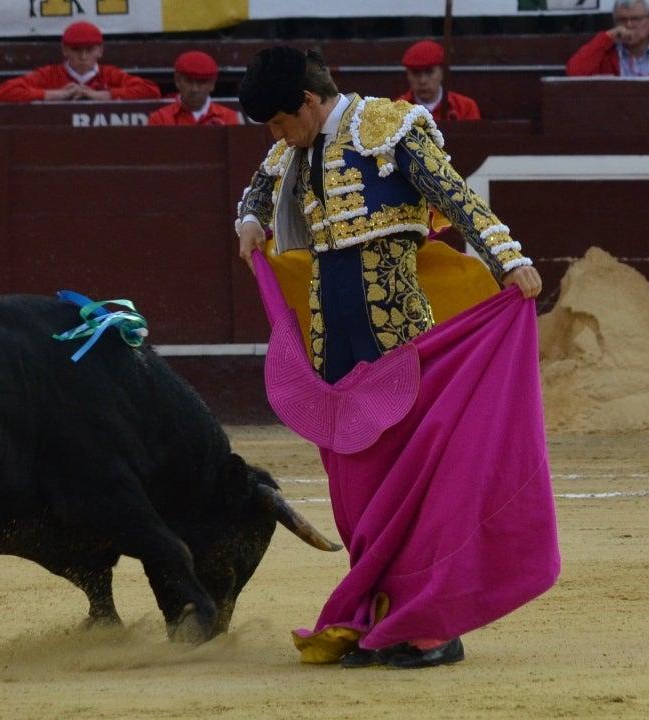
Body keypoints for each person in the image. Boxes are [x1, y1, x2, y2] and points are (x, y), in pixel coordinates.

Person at [234, 47, 558, 670]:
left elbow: (455, 196)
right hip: (333, 339)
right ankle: (381, 612)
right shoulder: (295, 146)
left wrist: (508, 259)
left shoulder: (387, 126)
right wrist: (250, 218)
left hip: (396, 333)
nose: (276, 137)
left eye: (278, 122)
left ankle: (434, 624)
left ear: (308, 102)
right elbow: (262, 184)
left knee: (417, 476)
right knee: (357, 480)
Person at [0, 21, 160, 103]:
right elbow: (3, 92)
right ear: (65, 50)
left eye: (89, 50)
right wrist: (55, 95)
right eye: (76, 50)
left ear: (100, 51)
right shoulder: (48, 75)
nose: (83, 56)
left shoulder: (110, 74)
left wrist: (100, 95)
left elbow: (151, 91)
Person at [148, 50, 240, 126]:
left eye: (202, 82)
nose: (195, 89)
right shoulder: (160, 119)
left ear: (212, 84)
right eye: (189, 81)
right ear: (177, 81)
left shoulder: (227, 117)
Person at [396, 39, 480, 120]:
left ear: (442, 72)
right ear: (407, 75)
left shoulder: (465, 107)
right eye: (415, 73)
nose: (422, 81)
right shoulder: (396, 110)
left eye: (430, 72)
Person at [566, 0, 649, 76]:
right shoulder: (606, 51)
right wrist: (607, 37)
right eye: (622, 20)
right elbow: (574, 72)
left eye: (636, 19)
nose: (629, 25)